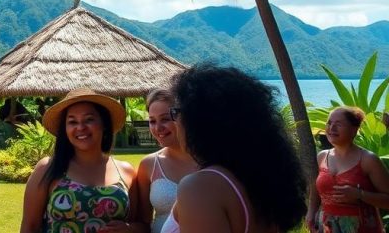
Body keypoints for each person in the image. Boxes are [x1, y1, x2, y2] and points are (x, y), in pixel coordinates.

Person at [163, 64, 307, 232]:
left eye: (176, 112)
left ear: (199, 121)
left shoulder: (202, 187)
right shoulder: (259, 180)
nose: (175, 122)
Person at [20, 88, 136, 233]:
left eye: (89, 119)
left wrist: (129, 229)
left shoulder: (125, 171)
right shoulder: (48, 168)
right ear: (65, 129)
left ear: (104, 124)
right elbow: (29, 227)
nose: (80, 127)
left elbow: (142, 224)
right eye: (72, 122)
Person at [307, 106, 389, 232]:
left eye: (338, 124)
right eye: (329, 123)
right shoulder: (322, 156)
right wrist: (311, 213)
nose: (331, 128)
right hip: (327, 227)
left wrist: (360, 195)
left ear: (354, 130)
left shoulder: (368, 160)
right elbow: (315, 193)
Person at [133, 89, 197, 233]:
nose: (158, 128)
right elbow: (143, 223)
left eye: (165, 119)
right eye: (152, 121)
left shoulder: (211, 161)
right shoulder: (148, 165)